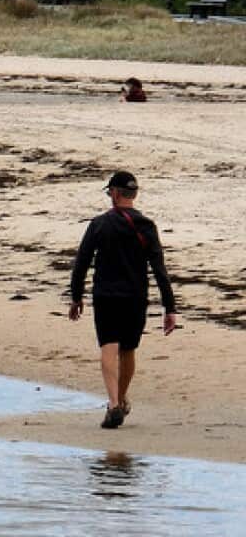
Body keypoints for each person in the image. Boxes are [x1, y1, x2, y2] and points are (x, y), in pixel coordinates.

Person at [69, 170, 177, 429]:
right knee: (128, 350)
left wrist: (76, 297)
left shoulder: (99, 224)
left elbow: (81, 263)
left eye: (110, 192)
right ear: (134, 194)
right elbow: (159, 269)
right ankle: (120, 398)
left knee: (109, 347)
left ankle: (114, 402)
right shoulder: (146, 226)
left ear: (116, 193)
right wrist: (169, 307)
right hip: (135, 297)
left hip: (106, 296)